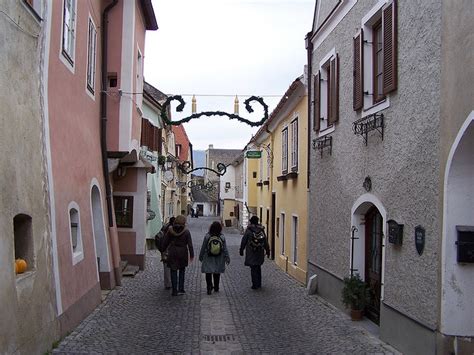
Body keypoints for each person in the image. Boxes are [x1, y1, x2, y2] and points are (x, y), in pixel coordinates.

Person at [161, 215, 194, 296]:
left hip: (173, 252)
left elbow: (165, 242)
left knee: (173, 270)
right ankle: (181, 289)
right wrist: (192, 255)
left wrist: (162, 250)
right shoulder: (186, 232)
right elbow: (190, 244)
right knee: (182, 270)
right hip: (183, 252)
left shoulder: (170, 230)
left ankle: (174, 290)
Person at [199, 221, 230, 295]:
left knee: (208, 272)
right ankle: (216, 287)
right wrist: (227, 257)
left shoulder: (207, 236)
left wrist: (201, 256)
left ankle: (209, 287)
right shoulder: (222, 237)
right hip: (219, 256)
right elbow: (225, 248)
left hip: (208, 256)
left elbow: (203, 247)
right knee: (217, 272)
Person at [239, 216, 270, 290]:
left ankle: (254, 284)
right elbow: (265, 241)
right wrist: (268, 250)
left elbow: (244, 240)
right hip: (259, 251)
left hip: (251, 252)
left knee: (253, 268)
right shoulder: (261, 230)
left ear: (251, 221)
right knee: (258, 267)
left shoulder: (249, 230)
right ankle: (259, 283)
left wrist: (241, 249)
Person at [156, 217, 175, 290]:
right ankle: (171, 283)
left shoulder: (165, 226)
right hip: (168, 249)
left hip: (163, 249)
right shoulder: (171, 229)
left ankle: (167, 283)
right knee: (171, 266)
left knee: (166, 267)